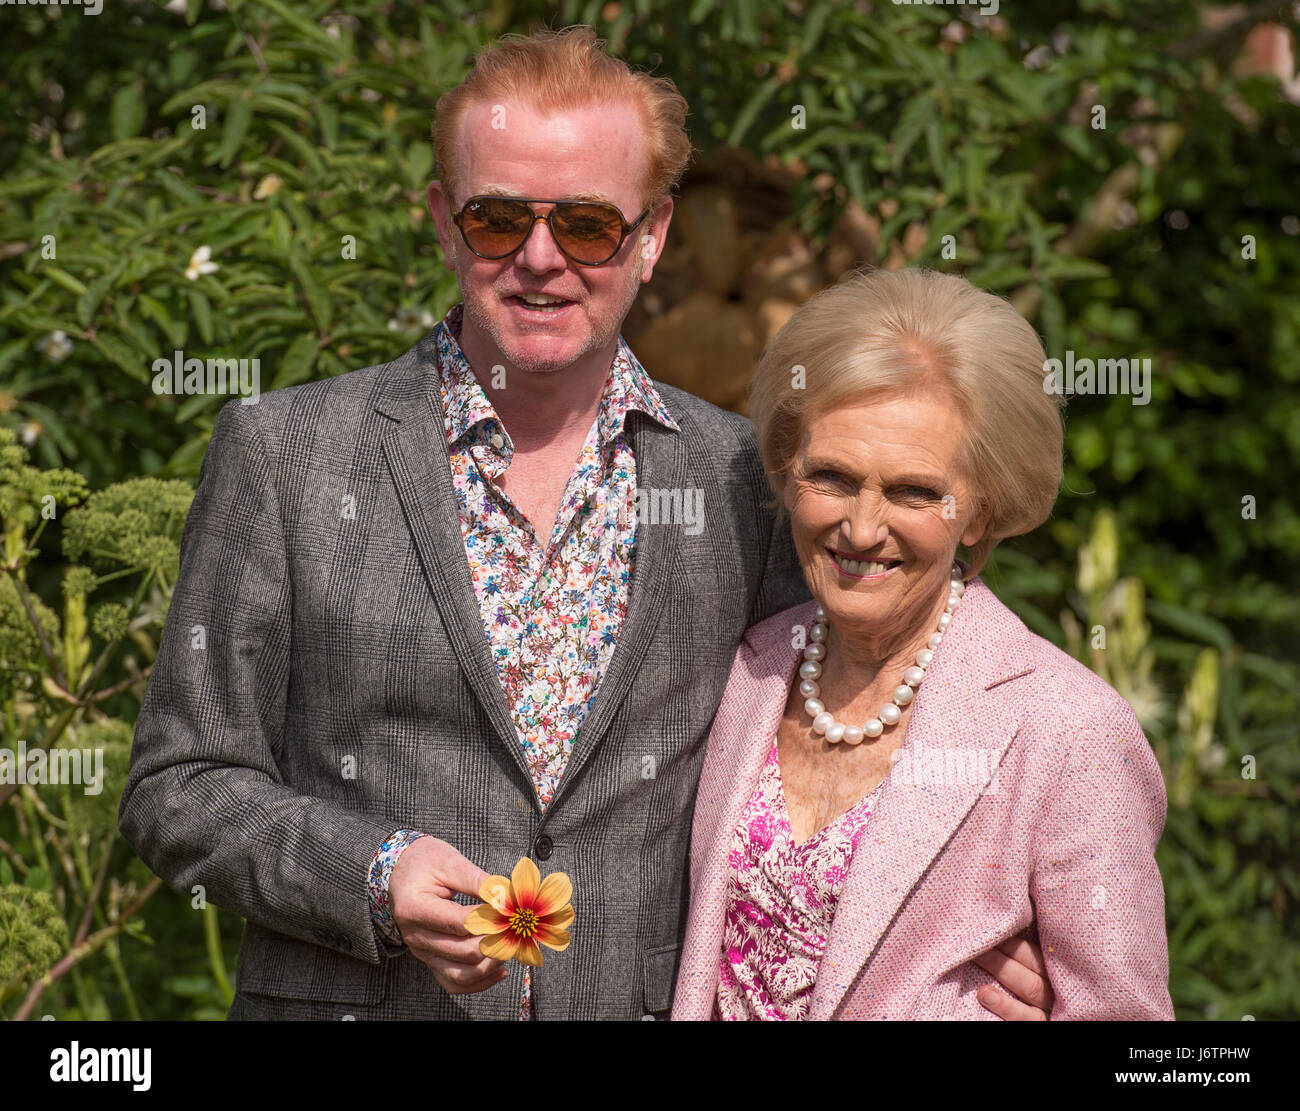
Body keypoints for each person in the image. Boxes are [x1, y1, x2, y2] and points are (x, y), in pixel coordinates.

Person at [120, 27, 1052, 1020]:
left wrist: (964, 933)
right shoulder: (286, 455)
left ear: (651, 237)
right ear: (443, 222)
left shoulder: (745, 479)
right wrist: (372, 870)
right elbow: (180, 785)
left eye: (586, 227)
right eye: (496, 220)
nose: (539, 259)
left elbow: (855, 730)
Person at [672, 267, 1175, 1020]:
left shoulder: (1069, 732)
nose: (864, 527)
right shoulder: (749, 667)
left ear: (978, 511)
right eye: (832, 477)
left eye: (912, 491)